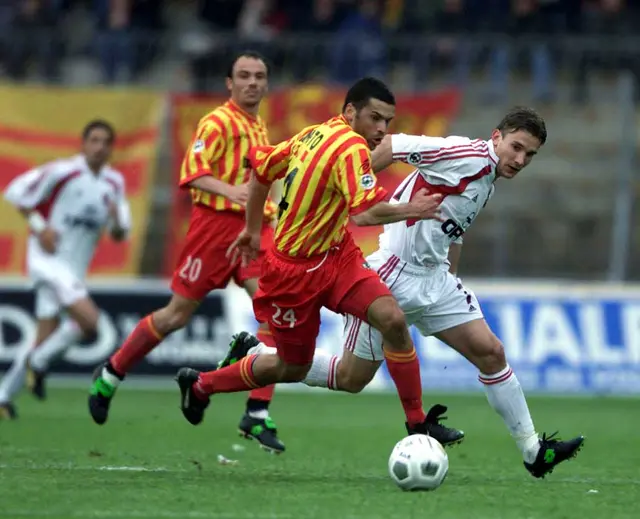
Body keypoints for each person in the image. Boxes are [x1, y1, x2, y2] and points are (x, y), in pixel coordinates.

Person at [226, 106, 585, 478]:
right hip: (394, 274)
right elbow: (396, 144)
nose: (521, 159)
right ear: (497, 136)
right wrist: (356, 185)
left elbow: (453, 230)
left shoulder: (487, 179)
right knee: (351, 379)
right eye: (516, 147)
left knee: (491, 353)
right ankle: (257, 355)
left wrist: (450, 279)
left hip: (436, 280)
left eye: (530, 155)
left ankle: (533, 450)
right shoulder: (464, 155)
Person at [174, 77, 465, 448]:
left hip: (336, 256)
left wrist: (250, 228)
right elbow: (365, 214)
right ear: (349, 112)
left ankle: (417, 424)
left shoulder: (312, 134)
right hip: (292, 273)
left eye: (387, 122)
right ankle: (201, 385)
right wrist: (416, 209)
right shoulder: (350, 148)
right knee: (290, 366)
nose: (381, 129)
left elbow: (262, 167)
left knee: (391, 318)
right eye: (374, 118)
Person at [87, 51, 286, 454]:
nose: (252, 82)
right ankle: (112, 372)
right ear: (229, 83)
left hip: (253, 231)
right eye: (244, 76)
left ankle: (257, 412)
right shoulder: (216, 122)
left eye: (259, 76)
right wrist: (232, 191)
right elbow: (192, 171)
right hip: (213, 229)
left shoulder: (260, 127)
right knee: (176, 315)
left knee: (276, 310)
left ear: (266, 84)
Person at [0, 120, 130, 419]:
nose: (99, 147)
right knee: (90, 323)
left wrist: (117, 222)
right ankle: (40, 363)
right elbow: (17, 192)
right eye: (93, 140)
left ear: (111, 149)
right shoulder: (62, 171)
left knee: (43, 338)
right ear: (83, 144)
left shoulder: (114, 183)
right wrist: (40, 227)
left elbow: (121, 233)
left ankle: (4, 397)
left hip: (73, 271)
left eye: (105, 142)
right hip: (48, 263)